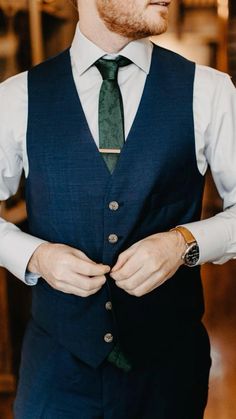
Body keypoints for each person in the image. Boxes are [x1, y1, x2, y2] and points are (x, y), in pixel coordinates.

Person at [0, 0, 236, 418]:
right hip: (55, 374)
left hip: (169, 374)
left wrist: (184, 242)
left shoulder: (210, 90)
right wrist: (35, 255)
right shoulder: (16, 97)